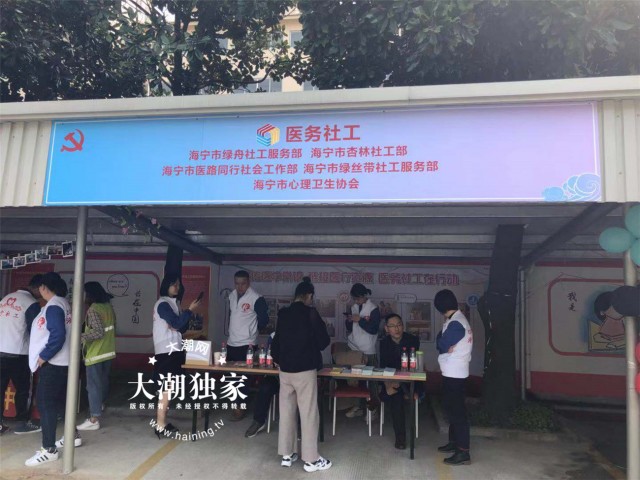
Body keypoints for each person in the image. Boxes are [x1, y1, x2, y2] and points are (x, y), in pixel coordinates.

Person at [271, 277, 332, 472]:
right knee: (308, 414)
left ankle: (287, 455)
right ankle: (311, 460)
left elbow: (276, 342)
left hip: (285, 370)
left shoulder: (283, 314)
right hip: (305, 370)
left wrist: (279, 359)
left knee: (286, 412)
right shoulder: (311, 313)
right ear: (309, 296)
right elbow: (323, 342)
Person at [25, 273, 72, 467]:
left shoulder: (53, 306)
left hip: (53, 363)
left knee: (45, 404)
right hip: (63, 363)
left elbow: (58, 335)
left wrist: (44, 356)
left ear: (44, 287)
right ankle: (73, 436)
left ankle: (49, 449)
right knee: (60, 402)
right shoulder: (62, 303)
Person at [152, 274, 200, 437]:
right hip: (166, 351)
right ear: (166, 286)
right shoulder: (163, 304)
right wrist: (190, 310)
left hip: (174, 349)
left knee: (169, 389)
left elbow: (181, 327)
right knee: (166, 389)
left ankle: (162, 423)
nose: (177, 287)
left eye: (178, 285)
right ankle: (160, 424)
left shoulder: (174, 303)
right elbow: (177, 323)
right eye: (174, 284)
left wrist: (185, 315)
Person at [0, 274, 43, 435]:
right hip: (18, 354)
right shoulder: (31, 303)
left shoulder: (5, 299)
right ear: (37, 288)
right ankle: (22, 422)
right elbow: (36, 331)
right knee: (23, 390)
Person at [434, 289, 472, 466]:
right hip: (452, 372)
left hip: (455, 374)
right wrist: (442, 342)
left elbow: (441, 343)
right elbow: (442, 342)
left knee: (457, 413)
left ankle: (463, 452)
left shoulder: (456, 323)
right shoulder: (455, 320)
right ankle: (454, 442)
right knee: (451, 409)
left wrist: (441, 343)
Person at [226, 270, 268, 421]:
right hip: (231, 342)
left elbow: (264, 320)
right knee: (231, 376)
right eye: (237, 283)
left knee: (242, 378)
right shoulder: (232, 295)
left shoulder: (256, 298)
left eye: (243, 283)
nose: (239, 287)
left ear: (249, 282)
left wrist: (252, 332)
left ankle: (240, 407)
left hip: (247, 343)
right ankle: (235, 404)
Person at [76, 282, 116, 431]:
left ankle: (94, 419)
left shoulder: (93, 309)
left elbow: (98, 332)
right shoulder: (108, 307)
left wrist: (79, 336)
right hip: (108, 351)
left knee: (93, 386)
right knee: (103, 383)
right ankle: (99, 405)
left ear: (90, 295)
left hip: (96, 353)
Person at [379, 313, 421, 450]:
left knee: (395, 395)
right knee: (396, 398)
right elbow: (383, 367)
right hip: (391, 380)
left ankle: (401, 438)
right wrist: (388, 384)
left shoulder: (413, 340)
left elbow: (413, 365)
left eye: (399, 325)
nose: (396, 329)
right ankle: (400, 438)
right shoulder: (383, 343)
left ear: (403, 326)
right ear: (386, 329)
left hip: (410, 380)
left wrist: (399, 381)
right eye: (392, 326)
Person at [344, 283, 381, 418]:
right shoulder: (353, 307)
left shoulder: (373, 309)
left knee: (372, 381)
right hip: (354, 348)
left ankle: (373, 407)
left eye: (358, 298)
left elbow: (373, 329)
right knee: (357, 380)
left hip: (368, 349)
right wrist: (349, 320)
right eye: (354, 299)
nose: (356, 301)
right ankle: (360, 406)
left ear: (364, 296)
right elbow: (349, 327)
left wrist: (359, 320)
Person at [245, 333, 279, 438]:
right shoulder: (273, 336)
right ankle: (258, 421)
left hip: (295, 375)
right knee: (264, 388)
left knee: (303, 391)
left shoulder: (301, 331)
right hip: (276, 376)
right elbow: (269, 354)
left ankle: (300, 426)